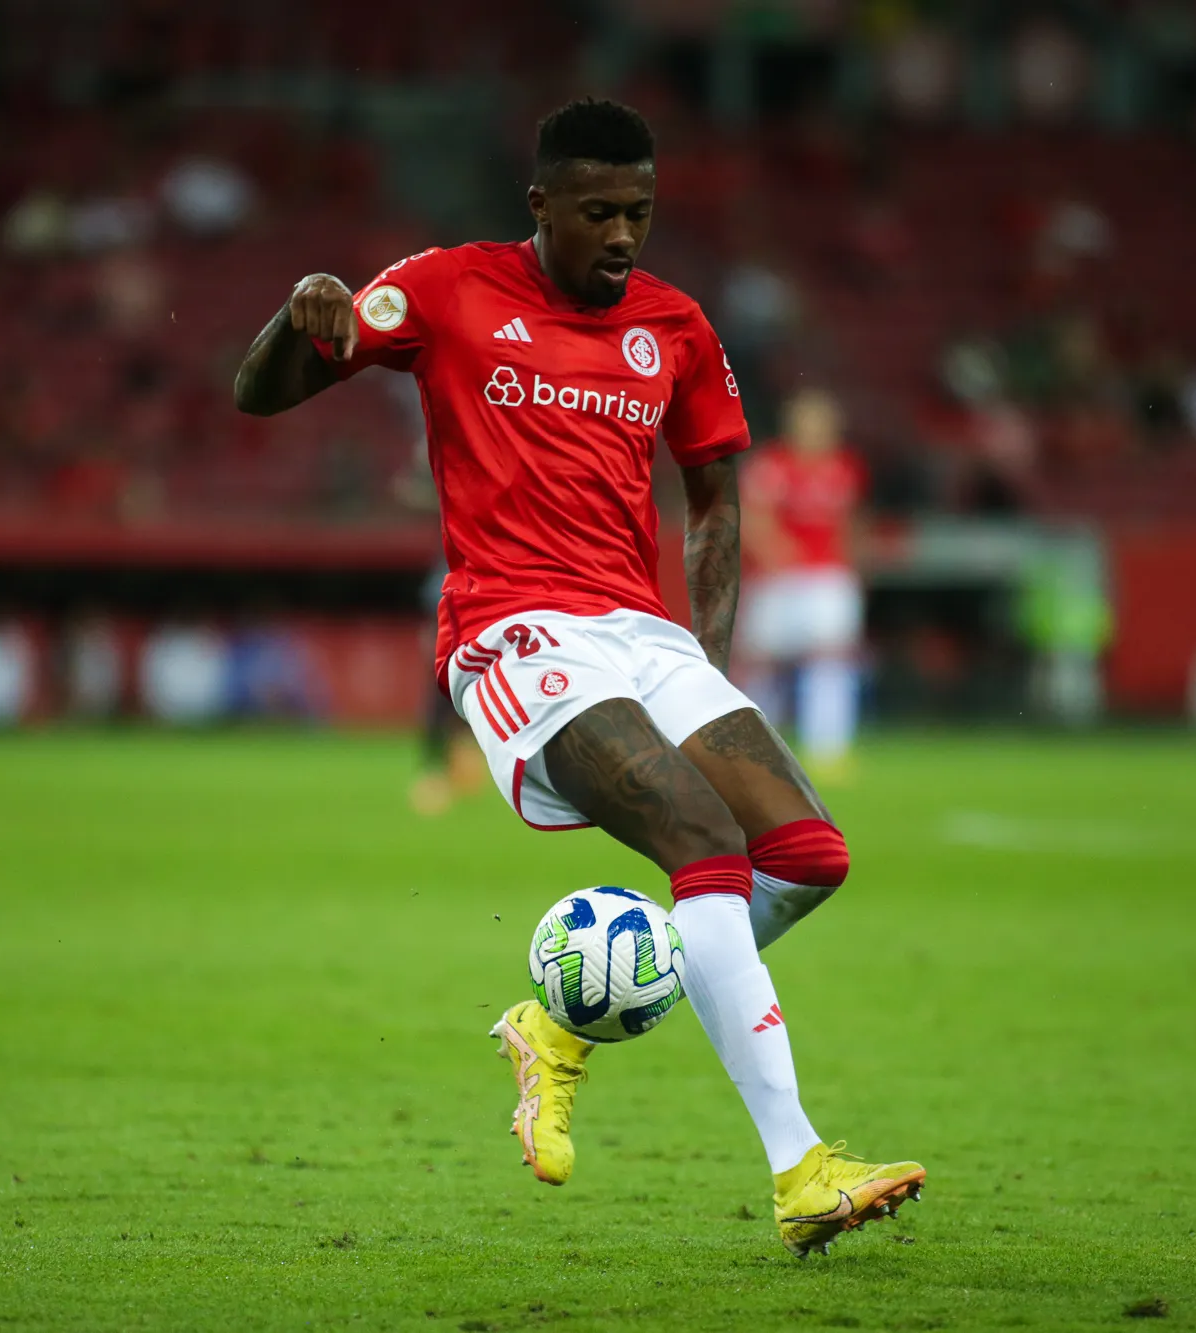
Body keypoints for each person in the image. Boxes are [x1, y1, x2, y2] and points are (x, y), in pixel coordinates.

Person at [233, 98, 923, 1257]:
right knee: (703, 849)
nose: (621, 236)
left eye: (639, 214)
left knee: (808, 856)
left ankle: (556, 1027)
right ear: (539, 205)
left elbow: (712, 499)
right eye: (598, 212)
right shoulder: (451, 287)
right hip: (512, 629)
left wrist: (702, 648)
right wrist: (293, 320)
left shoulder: (677, 326)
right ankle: (801, 1167)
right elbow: (262, 391)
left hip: (645, 635)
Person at [737, 389, 869, 775]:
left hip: (828, 578)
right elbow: (754, 516)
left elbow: (851, 522)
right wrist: (776, 552)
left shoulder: (846, 466)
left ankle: (828, 749)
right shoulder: (771, 465)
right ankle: (754, 744)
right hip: (778, 579)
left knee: (830, 661)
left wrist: (851, 566)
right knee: (762, 663)